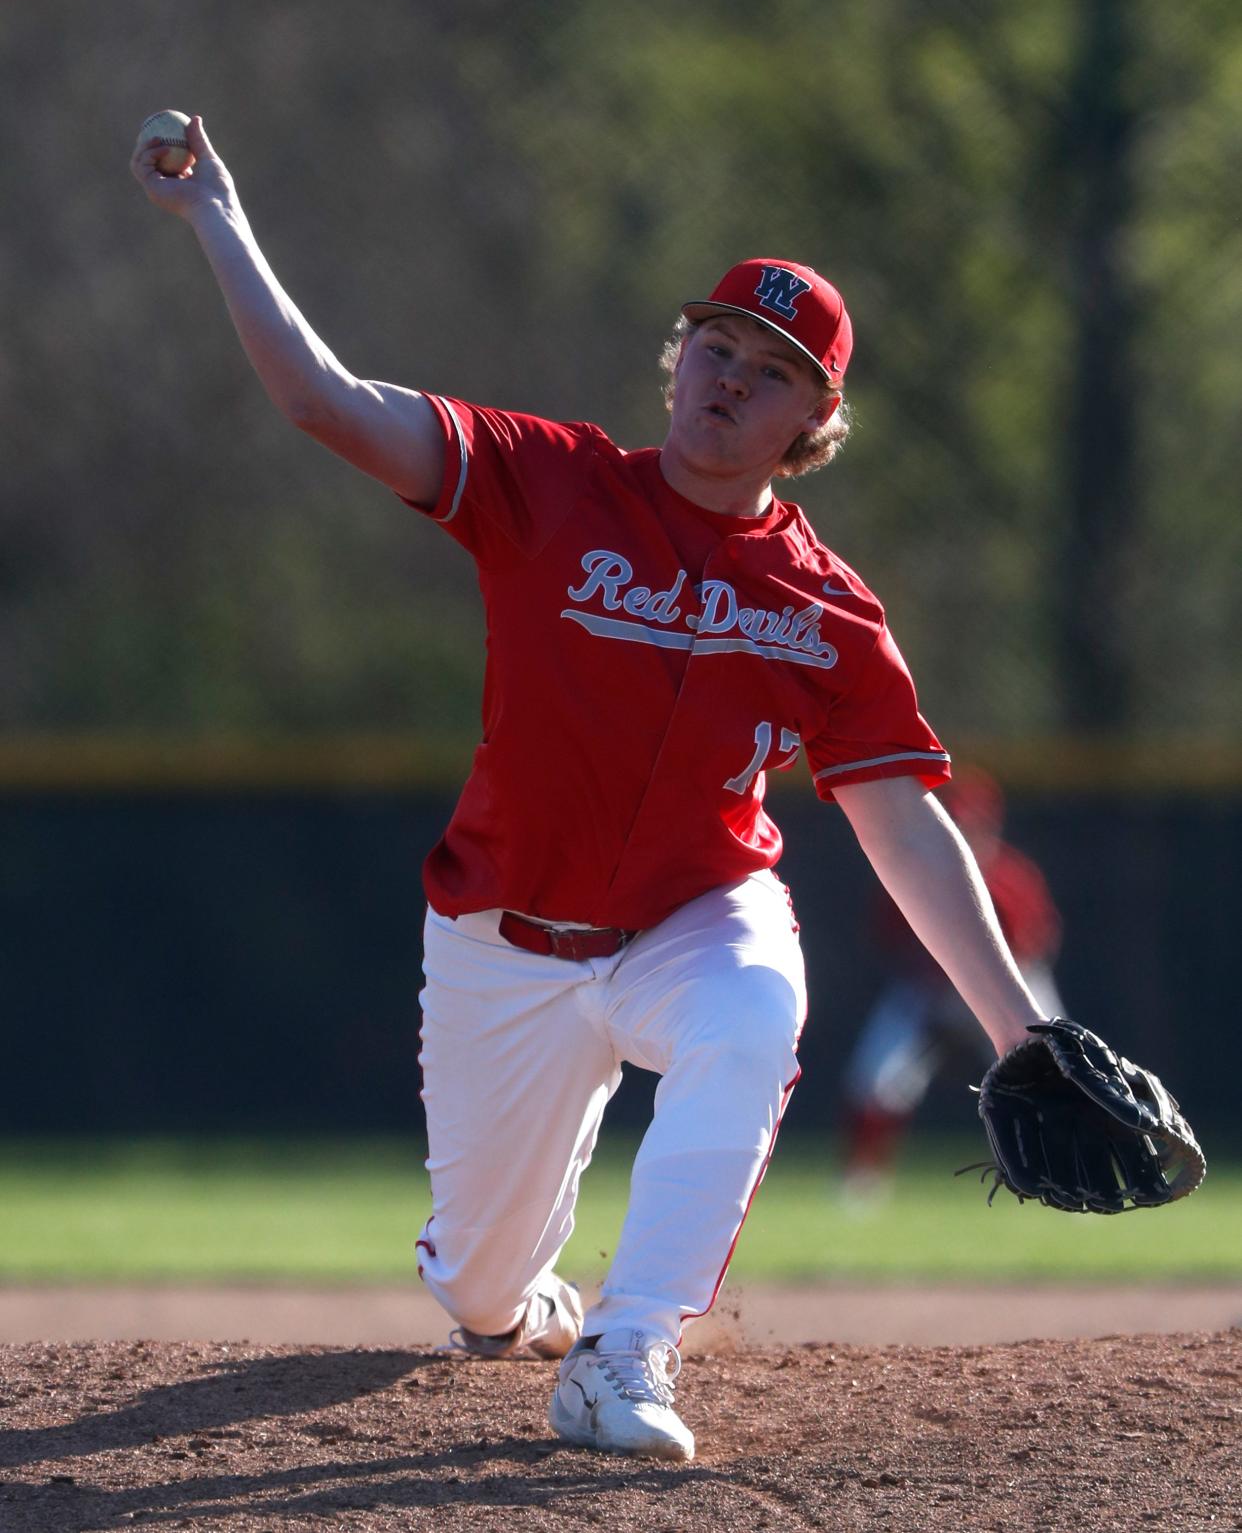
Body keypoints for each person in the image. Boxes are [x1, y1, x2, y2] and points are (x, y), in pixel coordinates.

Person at [132, 116, 1050, 1464]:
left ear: (814, 424)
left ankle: (627, 1349)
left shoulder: (828, 611)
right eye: (715, 348)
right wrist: (217, 212)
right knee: (479, 1288)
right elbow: (324, 399)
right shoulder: (543, 482)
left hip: (694, 913)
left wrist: (1017, 1032)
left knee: (757, 1008)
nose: (726, 381)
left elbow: (902, 822)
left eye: (771, 372)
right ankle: (524, 1313)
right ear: (678, 360)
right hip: (505, 936)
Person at [839, 766, 1066, 1202]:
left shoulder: (1011, 878)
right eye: (957, 822)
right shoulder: (913, 873)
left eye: (973, 823)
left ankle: (1065, 1175)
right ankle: (861, 1184)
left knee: (1061, 1074)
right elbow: (888, 939)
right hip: (929, 992)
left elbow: (1039, 943)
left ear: (991, 825)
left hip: (1009, 985)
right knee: (875, 1079)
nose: (967, 832)